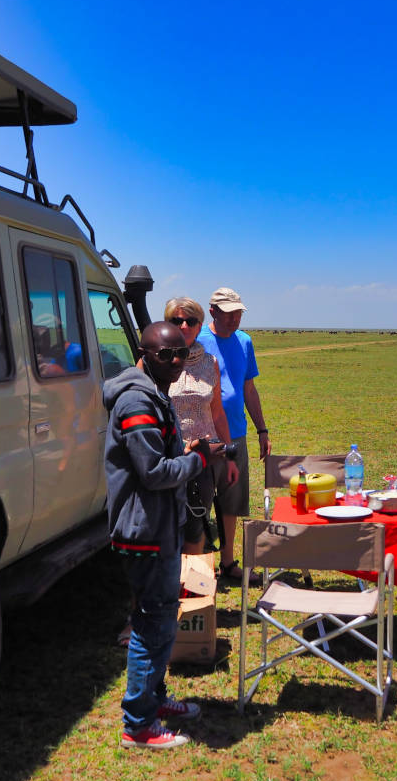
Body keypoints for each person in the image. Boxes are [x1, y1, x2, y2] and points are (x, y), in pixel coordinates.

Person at [103, 320, 210, 749]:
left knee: (163, 620)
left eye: (182, 353)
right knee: (151, 624)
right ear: (145, 355)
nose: (177, 361)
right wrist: (198, 462)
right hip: (144, 529)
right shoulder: (137, 402)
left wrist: (189, 455)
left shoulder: (155, 394)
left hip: (158, 526)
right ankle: (139, 725)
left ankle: (154, 699)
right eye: (166, 355)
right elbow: (152, 473)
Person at [196, 287, 271, 584]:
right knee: (198, 501)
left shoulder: (244, 341)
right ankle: (200, 567)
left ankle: (227, 563)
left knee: (232, 501)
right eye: (228, 313)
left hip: (235, 435)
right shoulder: (197, 338)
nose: (234, 319)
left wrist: (262, 429)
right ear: (213, 311)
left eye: (238, 313)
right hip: (202, 434)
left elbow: (248, 389)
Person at [164, 297, 240, 555]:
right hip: (168, 457)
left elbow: (217, 413)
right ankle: (171, 584)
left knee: (197, 519)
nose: (183, 326)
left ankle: (194, 583)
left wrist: (229, 457)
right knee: (166, 523)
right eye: (177, 320)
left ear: (199, 326)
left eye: (190, 321)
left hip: (204, 457)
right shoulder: (155, 361)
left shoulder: (210, 363)